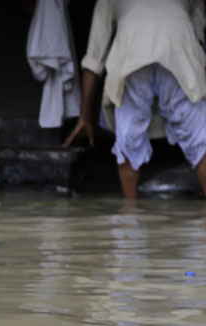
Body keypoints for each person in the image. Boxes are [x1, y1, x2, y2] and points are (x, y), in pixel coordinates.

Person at [63, 0, 206, 198]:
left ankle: (129, 214)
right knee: (200, 139)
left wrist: (84, 116)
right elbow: (198, 37)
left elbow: (94, 61)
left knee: (129, 139)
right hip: (178, 43)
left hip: (133, 49)